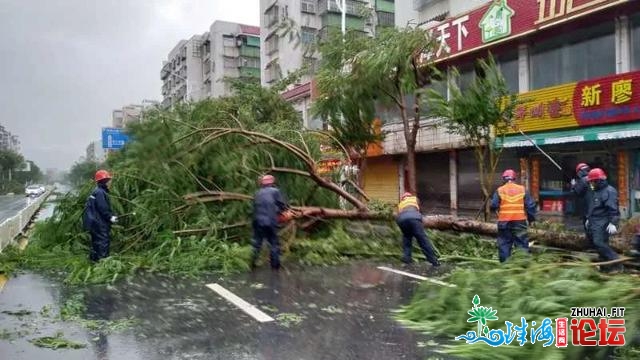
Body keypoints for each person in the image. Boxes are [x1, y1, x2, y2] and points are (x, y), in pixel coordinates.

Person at [490, 169, 537, 263]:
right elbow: (530, 206)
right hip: (520, 222)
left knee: (504, 245)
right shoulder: (522, 189)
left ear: (504, 179)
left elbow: (493, 205)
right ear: (514, 178)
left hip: (504, 222)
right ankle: (522, 267)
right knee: (522, 244)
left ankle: (506, 268)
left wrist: (494, 210)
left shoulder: (500, 190)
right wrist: (531, 220)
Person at [585, 168, 623, 272]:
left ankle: (617, 263)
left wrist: (613, 223)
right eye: (590, 181)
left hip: (603, 221)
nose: (591, 183)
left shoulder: (609, 191)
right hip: (594, 221)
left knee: (599, 242)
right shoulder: (596, 191)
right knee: (597, 244)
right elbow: (593, 207)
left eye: (593, 181)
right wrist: (588, 218)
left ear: (599, 181)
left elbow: (613, 209)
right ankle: (605, 267)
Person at [251, 174, 288, 270]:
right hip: (270, 221)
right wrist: (281, 212)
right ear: (272, 183)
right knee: (273, 243)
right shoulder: (275, 191)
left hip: (257, 221)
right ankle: (275, 267)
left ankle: (251, 263)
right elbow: (282, 205)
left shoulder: (257, 193)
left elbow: (255, 207)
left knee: (257, 243)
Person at [395, 192, 440, 267]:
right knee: (422, 240)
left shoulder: (400, 204)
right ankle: (434, 261)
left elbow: (399, 214)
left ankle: (406, 259)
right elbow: (418, 210)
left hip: (401, 220)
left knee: (407, 238)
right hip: (414, 218)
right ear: (410, 196)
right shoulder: (414, 199)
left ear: (403, 198)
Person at [83, 170, 117, 262]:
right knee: (103, 242)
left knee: (96, 243)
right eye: (109, 180)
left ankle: (94, 261)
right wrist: (110, 217)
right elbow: (103, 208)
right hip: (99, 223)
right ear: (104, 181)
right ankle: (103, 263)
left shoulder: (96, 191)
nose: (110, 182)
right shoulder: (100, 193)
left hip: (94, 223)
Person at [571, 163, 592, 242]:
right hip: (595, 206)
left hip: (586, 207)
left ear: (580, 172)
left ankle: (591, 245)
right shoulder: (593, 178)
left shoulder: (583, 180)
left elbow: (576, 192)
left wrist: (573, 185)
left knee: (588, 226)